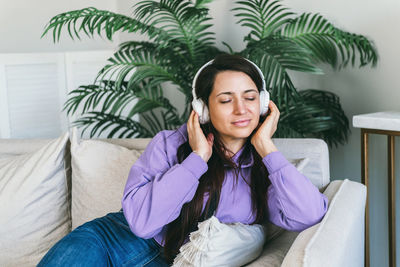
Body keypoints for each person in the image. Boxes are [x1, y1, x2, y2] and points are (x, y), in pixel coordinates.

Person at [38, 54, 328, 266]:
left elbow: (309, 214)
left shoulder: (268, 166)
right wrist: (197, 159)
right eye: (226, 100)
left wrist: (265, 146)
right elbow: (142, 224)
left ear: (264, 104)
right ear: (202, 109)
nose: (241, 109)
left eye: (250, 98)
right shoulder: (170, 143)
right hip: (111, 240)